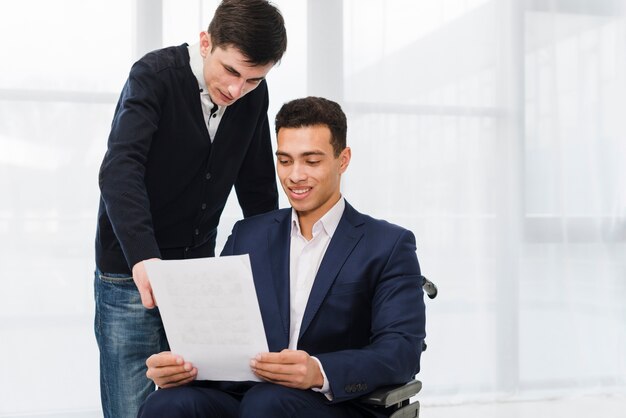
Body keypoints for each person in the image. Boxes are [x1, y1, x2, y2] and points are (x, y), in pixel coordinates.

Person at [138, 96, 427, 418]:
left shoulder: (387, 244)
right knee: (166, 403)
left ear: (342, 160)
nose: (295, 176)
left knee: (269, 402)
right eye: (285, 161)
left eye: (311, 161)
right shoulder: (248, 235)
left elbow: (401, 351)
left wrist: (318, 371)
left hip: (334, 404)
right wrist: (179, 365)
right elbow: (215, 329)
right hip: (249, 396)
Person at [93, 1, 287, 417]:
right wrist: (144, 258)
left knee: (186, 405)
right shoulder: (154, 76)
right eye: (231, 71)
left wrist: (272, 265)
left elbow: (257, 189)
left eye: (254, 79)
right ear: (205, 42)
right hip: (131, 272)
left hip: (196, 276)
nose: (238, 90)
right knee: (132, 407)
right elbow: (119, 170)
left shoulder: (254, 96)